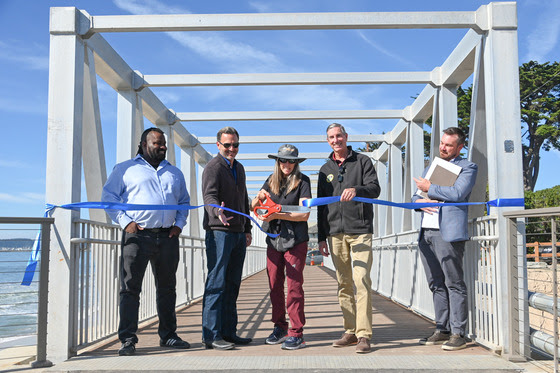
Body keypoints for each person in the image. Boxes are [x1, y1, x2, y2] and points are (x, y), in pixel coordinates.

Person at [102, 127, 191, 356]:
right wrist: (125, 222)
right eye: (157, 143)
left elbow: (184, 202)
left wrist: (179, 224)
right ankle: (128, 339)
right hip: (138, 236)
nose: (162, 147)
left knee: (167, 289)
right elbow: (109, 197)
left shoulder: (175, 173)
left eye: (164, 144)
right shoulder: (125, 169)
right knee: (130, 289)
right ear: (143, 144)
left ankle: (169, 336)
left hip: (168, 237)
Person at [317, 123, 381, 354]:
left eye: (339, 136)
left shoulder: (363, 161)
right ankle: (350, 331)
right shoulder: (325, 170)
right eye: (332, 137)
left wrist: (357, 189)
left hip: (360, 229)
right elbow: (321, 207)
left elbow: (375, 189)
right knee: (343, 283)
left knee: (361, 280)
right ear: (328, 141)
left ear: (346, 137)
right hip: (335, 233)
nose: (336, 140)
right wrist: (322, 237)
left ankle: (364, 335)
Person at [412, 126, 478, 351]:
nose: (443, 147)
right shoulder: (433, 166)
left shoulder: (468, 167)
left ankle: (459, 333)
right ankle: (442, 328)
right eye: (442, 143)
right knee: (435, 283)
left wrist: (430, 188)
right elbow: (416, 195)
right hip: (426, 232)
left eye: (449, 145)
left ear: (460, 147)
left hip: (447, 233)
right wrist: (418, 202)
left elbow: (458, 194)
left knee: (454, 283)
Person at [251, 144, 311, 350]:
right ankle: (280, 327)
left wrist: (277, 214)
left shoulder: (304, 182)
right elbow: (254, 206)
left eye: (291, 161)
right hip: (274, 240)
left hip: (296, 240)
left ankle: (297, 332)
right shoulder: (270, 180)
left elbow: (304, 214)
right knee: (275, 286)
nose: (287, 164)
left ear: (296, 163)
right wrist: (257, 198)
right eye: (283, 160)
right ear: (277, 162)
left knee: (294, 287)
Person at [201, 126, 253, 350]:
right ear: (218, 145)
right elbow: (209, 196)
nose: (232, 149)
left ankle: (229, 332)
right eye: (227, 145)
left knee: (232, 284)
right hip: (219, 232)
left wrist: (248, 227)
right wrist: (216, 212)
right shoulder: (213, 168)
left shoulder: (239, 168)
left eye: (235, 145)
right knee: (217, 283)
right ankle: (211, 335)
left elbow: (244, 199)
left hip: (238, 233)